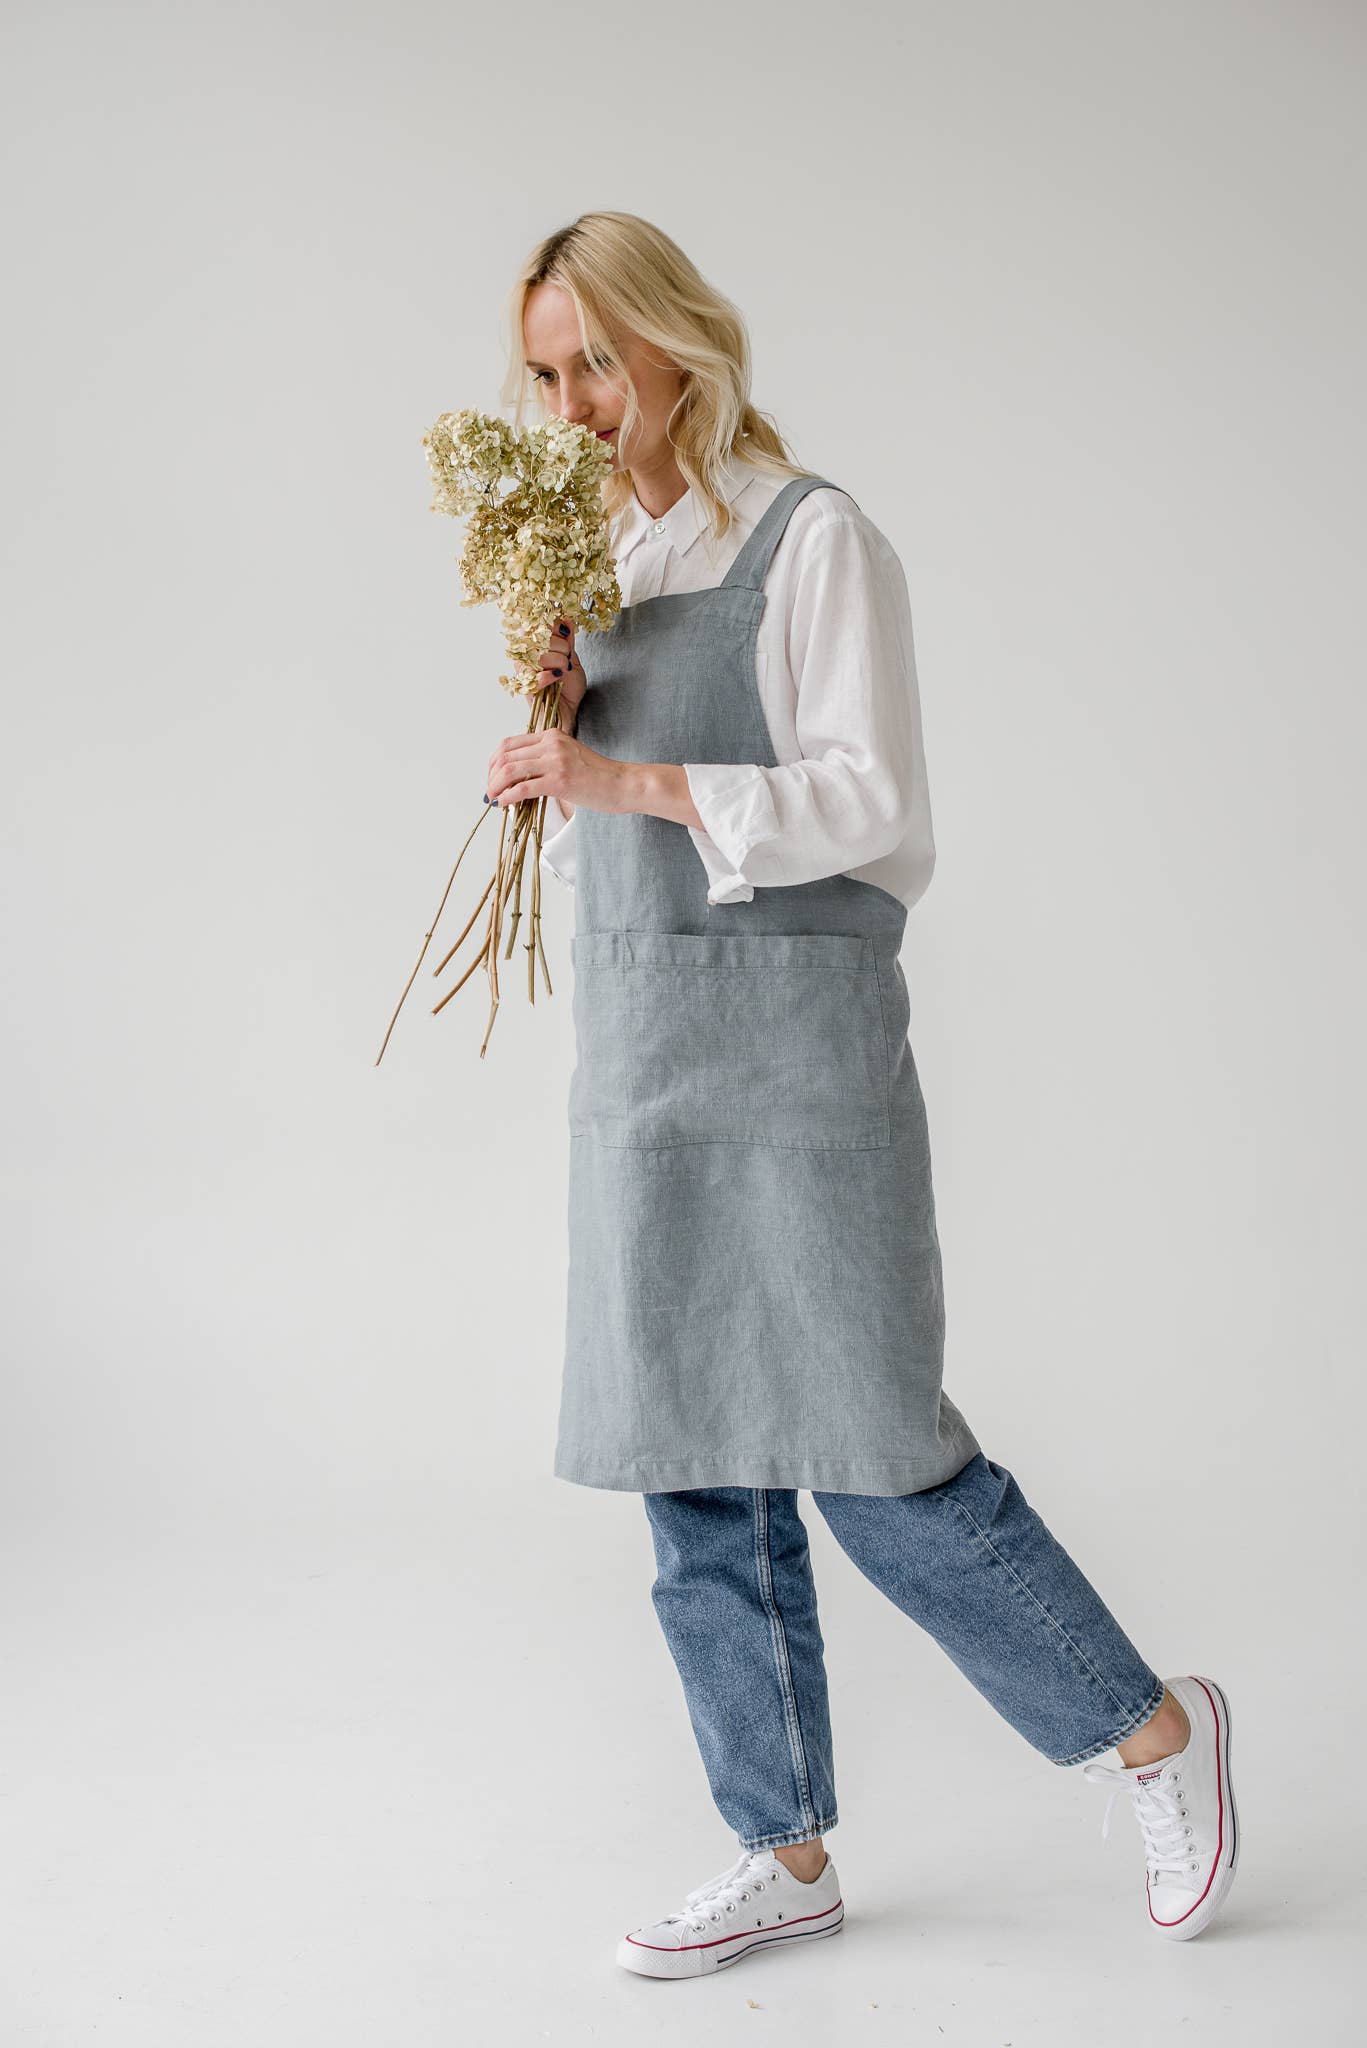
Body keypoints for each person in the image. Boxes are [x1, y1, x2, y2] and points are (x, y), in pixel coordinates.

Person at [483, 211, 1239, 1980]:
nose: (572, 406)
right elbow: (605, 837)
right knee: (688, 1468)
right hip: (648, 1056)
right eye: (544, 374)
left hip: (800, 1054)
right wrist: (552, 754)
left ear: (677, 341)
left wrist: (626, 774)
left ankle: (1155, 1734)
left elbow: (875, 807)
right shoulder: (594, 563)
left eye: (597, 362)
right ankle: (784, 1848)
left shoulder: (813, 538)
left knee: (874, 1453)